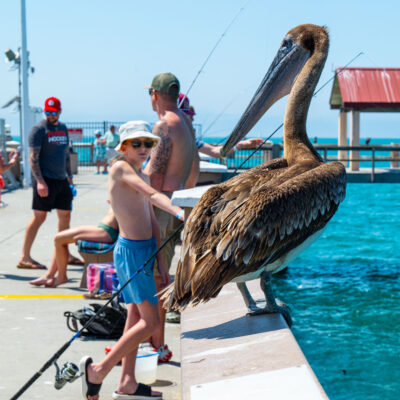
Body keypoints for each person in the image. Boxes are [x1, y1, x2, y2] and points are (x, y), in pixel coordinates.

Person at [79, 120, 184, 400]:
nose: (143, 148)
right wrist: (179, 212)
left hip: (146, 251)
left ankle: (127, 382)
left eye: (148, 143)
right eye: (136, 143)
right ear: (123, 147)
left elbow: (151, 219)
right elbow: (152, 196)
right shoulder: (120, 168)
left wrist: (161, 261)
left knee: (135, 317)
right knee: (151, 324)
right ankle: (98, 370)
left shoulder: (142, 174)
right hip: (131, 252)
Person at [144, 73, 198, 358]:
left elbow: (154, 176)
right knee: (162, 276)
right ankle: (156, 343)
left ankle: (158, 346)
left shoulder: (164, 125)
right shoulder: (186, 122)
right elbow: (193, 169)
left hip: (162, 210)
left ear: (155, 94)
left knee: (157, 280)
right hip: (177, 206)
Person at [17, 97, 81, 270]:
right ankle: (25, 257)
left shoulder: (62, 128)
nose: (50, 115)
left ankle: (65, 254)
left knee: (65, 215)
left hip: (61, 179)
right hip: (45, 179)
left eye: (53, 112)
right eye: (47, 112)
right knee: (39, 217)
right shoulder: (39, 129)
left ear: (59, 112)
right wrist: (40, 182)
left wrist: (69, 176)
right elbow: (33, 157)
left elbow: (65, 154)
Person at [29, 207, 119, 288]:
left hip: (107, 232)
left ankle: (61, 277)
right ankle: (49, 276)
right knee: (60, 238)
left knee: (59, 238)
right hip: (105, 229)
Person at [178, 93, 264, 158]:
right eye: (187, 115)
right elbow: (215, 151)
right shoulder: (188, 139)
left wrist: (241, 145)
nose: (191, 119)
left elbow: (215, 151)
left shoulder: (190, 140)